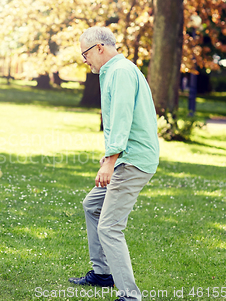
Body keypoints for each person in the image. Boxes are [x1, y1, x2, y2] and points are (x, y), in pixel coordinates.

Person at [68, 27, 159, 301]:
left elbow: (121, 119)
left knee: (109, 227)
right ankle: (103, 273)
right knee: (92, 205)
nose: (84, 60)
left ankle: (130, 295)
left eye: (85, 53)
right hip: (128, 158)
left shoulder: (120, 72)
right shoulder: (116, 71)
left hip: (133, 162)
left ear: (99, 48)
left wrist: (110, 161)